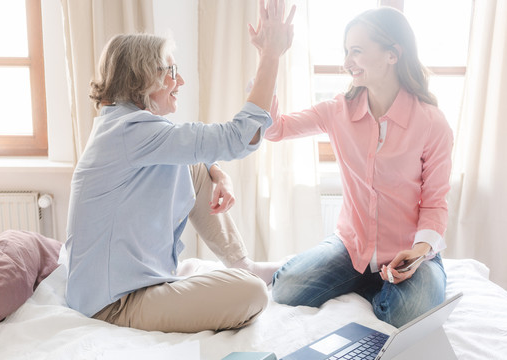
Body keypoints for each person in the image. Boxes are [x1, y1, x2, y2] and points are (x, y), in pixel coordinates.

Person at [64, 0, 296, 333]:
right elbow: (239, 137)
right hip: (114, 303)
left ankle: (242, 263)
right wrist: (270, 55)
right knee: (252, 294)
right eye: (171, 71)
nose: (181, 81)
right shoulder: (131, 131)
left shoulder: (126, 126)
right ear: (143, 77)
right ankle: (245, 272)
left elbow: (192, 152)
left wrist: (215, 172)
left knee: (193, 166)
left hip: (125, 287)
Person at [267, 7, 453, 328]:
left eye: (356, 51)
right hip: (352, 248)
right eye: (346, 51)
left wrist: (420, 251)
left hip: (409, 253)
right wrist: (269, 57)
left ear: (393, 54)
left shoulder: (432, 123)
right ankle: (364, 280)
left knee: (408, 315)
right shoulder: (338, 111)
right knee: (285, 288)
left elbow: (435, 203)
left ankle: (379, 283)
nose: (346, 62)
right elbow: (275, 129)